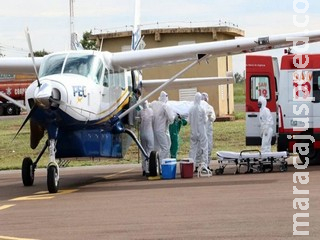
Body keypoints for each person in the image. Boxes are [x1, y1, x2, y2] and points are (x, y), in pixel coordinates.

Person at [149, 91, 175, 161]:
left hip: (153, 130)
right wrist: (174, 116)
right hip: (161, 130)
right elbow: (171, 118)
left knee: (156, 148)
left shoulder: (154, 103)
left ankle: (154, 163)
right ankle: (160, 163)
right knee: (165, 148)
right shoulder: (165, 106)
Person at [188, 92, 208, 171]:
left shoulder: (191, 109)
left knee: (192, 149)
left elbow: (188, 121)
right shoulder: (202, 109)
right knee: (204, 148)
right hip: (201, 132)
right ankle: (204, 165)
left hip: (193, 132)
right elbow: (205, 120)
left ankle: (191, 166)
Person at [138, 100, 154, 176]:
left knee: (143, 151)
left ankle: (144, 169)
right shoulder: (151, 111)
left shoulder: (140, 112)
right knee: (150, 150)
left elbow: (138, 121)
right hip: (149, 132)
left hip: (142, 133)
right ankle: (148, 168)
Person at [201, 92, 216, 170]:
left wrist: (210, 116)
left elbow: (213, 118)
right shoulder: (198, 108)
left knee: (209, 147)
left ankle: (206, 165)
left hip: (208, 132)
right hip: (201, 132)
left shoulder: (210, 108)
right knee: (200, 149)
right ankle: (199, 165)